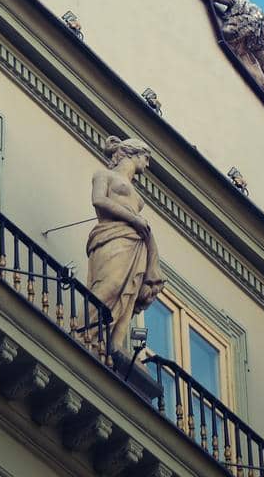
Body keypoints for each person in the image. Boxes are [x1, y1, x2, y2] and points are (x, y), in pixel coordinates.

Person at [86, 135, 163, 359]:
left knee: (128, 294)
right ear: (133, 153)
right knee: (110, 285)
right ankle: (84, 330)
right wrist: (134, 219)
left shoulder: (136, 193)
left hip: (135, 242)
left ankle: (114, 344)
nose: (147, 165)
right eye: (146, 158)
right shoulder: (104, 175)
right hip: (112, 236)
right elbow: (98, 200)